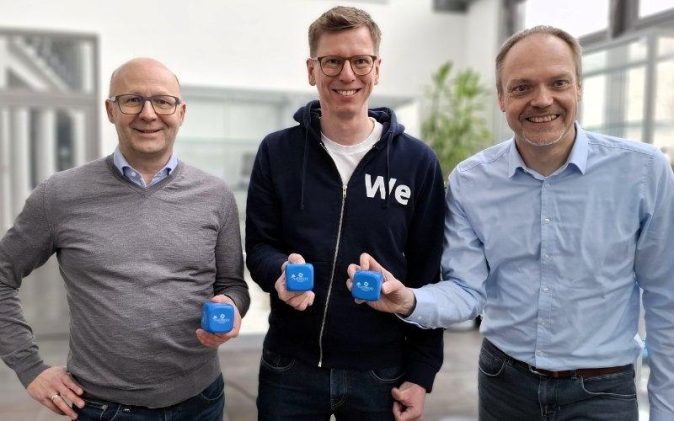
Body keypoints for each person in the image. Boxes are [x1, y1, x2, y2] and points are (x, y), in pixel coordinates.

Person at [347, 25, 674, 421]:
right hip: (505, 385)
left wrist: (666, 411)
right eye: (522, 87)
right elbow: (468, 290)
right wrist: (409, 300)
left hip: (602, 390)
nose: (542, 99)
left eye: (558, 82)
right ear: (502, 98)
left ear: (579, 88)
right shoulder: (472, 181)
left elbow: (666, 299)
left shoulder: (643, 172)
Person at [0, 57, 250, 420]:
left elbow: (232, 284)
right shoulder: (59, 195)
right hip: (102, 408)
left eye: (162, 101)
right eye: (133, 100)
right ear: (110, 110)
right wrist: (29, 367)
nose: (148, 114)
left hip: (201, 402)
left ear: (180, 113)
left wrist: (231, 304)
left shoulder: (215, 195)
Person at [245, 6, 445, 420]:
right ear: (312, 70)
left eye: (360, 61)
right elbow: (260, 246)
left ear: (377, 69)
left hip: (380, 370)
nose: (347, 74)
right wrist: (279, 272)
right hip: (290, 366)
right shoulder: (278, 152)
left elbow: (430, 273)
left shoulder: (417, 162)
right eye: (332, 61)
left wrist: (421, 374)